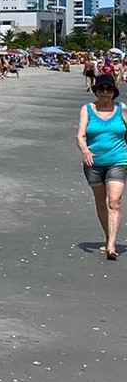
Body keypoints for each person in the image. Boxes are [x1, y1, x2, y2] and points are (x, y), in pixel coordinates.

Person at [76, 75, 127, 261]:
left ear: (114, 91)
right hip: (93, 164)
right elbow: (80, 135)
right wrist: (85, 151)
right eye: (102, 88)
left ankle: (112, 245)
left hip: (118, 161)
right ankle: (108, 236)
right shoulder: (87, 109)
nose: (105, 92)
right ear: (95, 90)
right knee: (101, 203)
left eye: (109, 89)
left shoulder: (122, 109)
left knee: (114, 202)